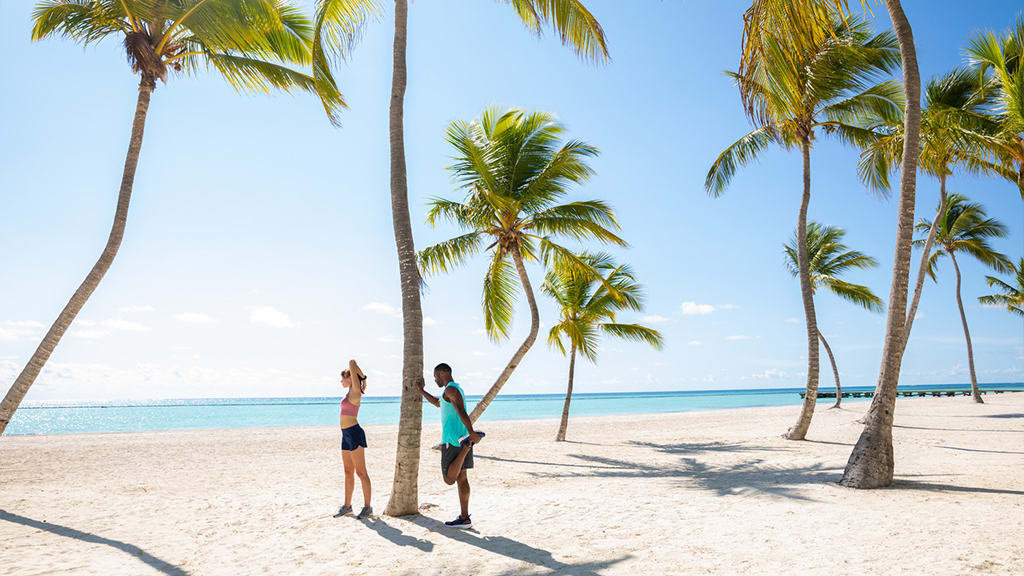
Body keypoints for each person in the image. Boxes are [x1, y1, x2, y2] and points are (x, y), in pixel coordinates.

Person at [416, 363, 484, 529]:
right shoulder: (452, 390)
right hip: (461, 438)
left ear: (442, 373)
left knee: (449, 479)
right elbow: (438, 403)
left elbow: (461, 411)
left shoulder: (451, 390)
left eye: (435, 376)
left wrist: (471, 433)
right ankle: (464, 518)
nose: (435, 379)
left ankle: (467, 446)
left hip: (453, 440)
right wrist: (421, 391)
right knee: (462, 479)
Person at [334, 359, 372, 520]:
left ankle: (367, 507)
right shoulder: (348, 393)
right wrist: (361, 379)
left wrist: (362, 378)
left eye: (343, 378)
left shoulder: (355, 391)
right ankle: (347, 505)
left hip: (355, 433)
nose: (341, 381)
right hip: (345, 434)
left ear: (350, 379)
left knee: (361, 472)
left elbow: (352, 362)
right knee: (348, 471)